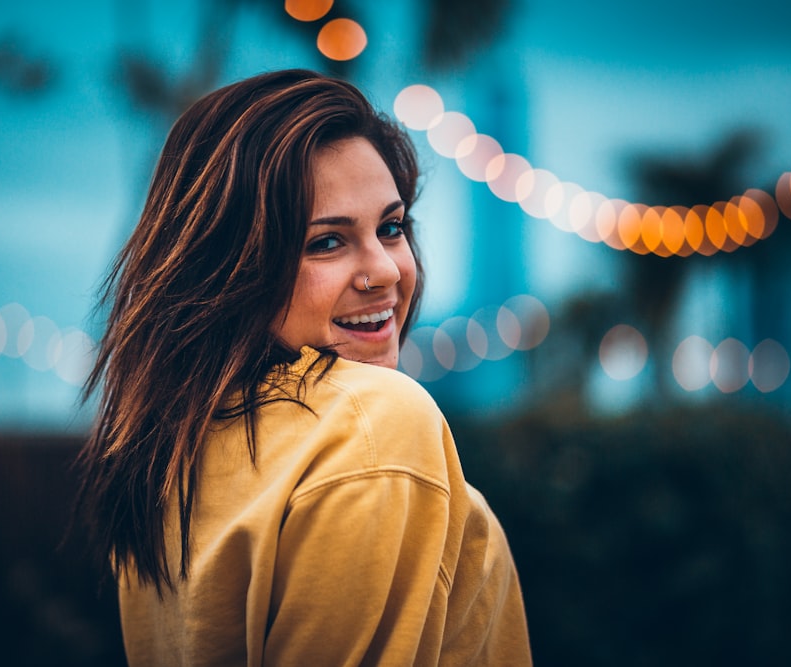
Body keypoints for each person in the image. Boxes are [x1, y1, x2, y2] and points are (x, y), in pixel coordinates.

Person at [74, 68, 531, 665]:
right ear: (230, 268)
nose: (387, 271)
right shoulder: (373, 424)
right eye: (326, 242)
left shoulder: (175, 445)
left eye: (391, 228)